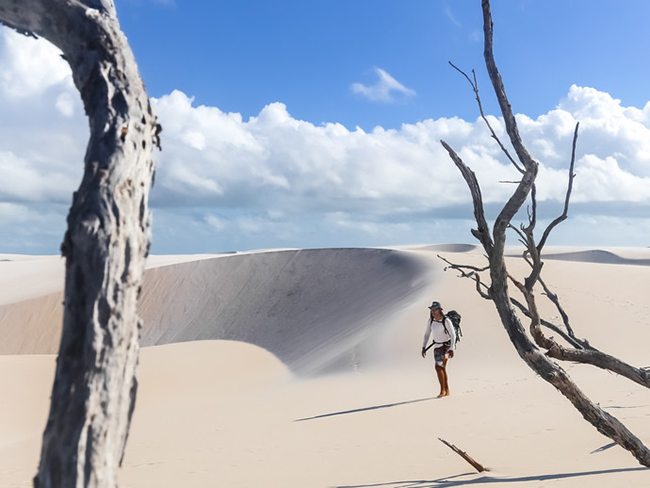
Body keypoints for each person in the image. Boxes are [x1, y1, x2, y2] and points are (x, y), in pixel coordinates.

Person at [421, 300, 456, 398]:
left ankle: (443, 390)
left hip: (446, 347)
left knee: (438, 366)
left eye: (435, 309)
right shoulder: (431, 321)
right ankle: (446, 390)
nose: (433, 311)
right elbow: (427, 334)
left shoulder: (446, 321)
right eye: (432, 309)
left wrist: (452, 348)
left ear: (439, 310)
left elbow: (453, 335)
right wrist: (424, 346)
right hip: (437, 347)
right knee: (442, 367)